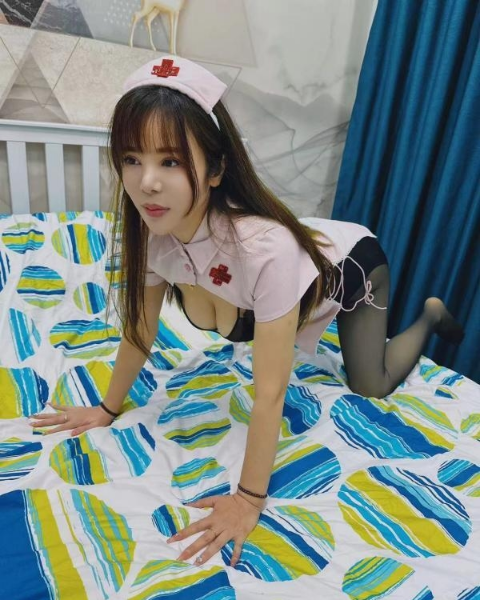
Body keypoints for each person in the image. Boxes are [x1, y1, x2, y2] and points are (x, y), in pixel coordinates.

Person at [29, 55, 464, 567]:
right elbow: (139, 331)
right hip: (298, 262)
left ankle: (429, 316)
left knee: (371, 384)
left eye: (170, 162)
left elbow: (271, 390)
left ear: (215, 170)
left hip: (354, 267)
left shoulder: (264, 251)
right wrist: (106, 410)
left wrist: (249, 501)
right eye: (131, 158)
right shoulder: (154, 235)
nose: (146, 182)